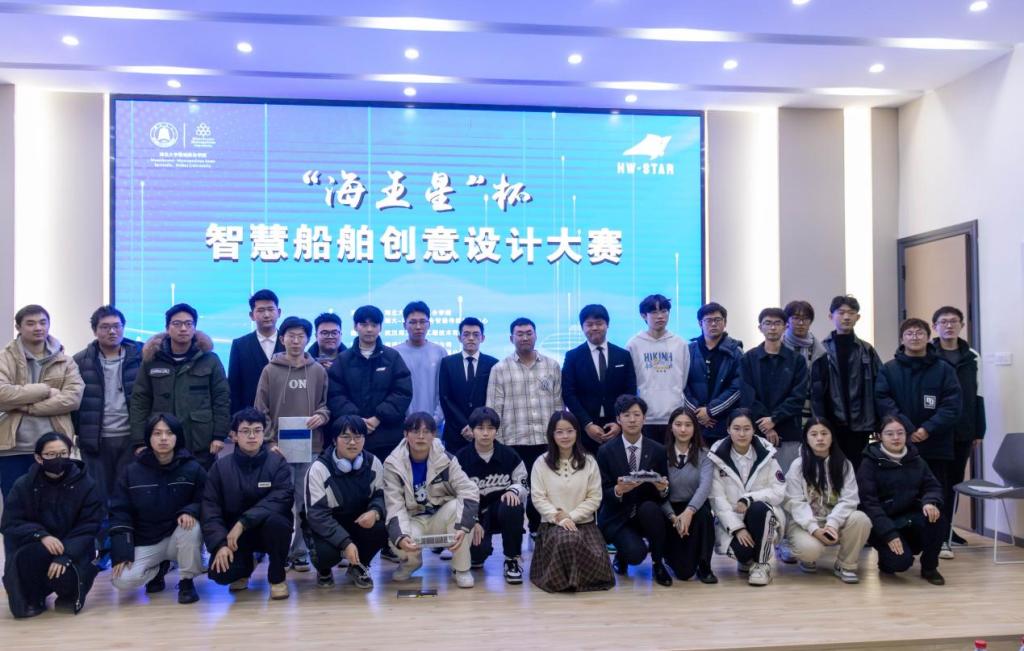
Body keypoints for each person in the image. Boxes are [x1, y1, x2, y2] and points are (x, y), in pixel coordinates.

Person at [875, 318, 961, 560]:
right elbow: (883, 400)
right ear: (902, 339)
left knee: (937, 491)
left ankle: (940, 542)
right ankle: (898, 539)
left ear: (928, 336)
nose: (914, 337)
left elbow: (952, 405)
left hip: (936, 443)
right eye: (909, 333)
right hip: (899, 444)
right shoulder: (889, 369)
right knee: (900, 492)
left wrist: (927, 429)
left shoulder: (944, 369)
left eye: (919, 333)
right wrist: (907, 428)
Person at [254, 316, 330, 573]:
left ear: (307, 339)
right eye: (291, 336)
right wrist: (269, 441)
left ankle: (299, 553)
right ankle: (280, 553)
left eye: (301, 336)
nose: (296, 341)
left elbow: (326, 405)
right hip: (277, 448)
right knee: (280, 503)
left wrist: (322, 415)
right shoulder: (269, 370)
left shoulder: (318, 371)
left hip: (311, 447)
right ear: (282, 338)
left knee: (305, 502)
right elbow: (260, 409)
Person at [1, 432, 103, 618]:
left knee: (67, 582)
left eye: (63, 453)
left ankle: (68, 592)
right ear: (38, 458)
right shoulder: (23, 485)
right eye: (51, 454)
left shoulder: (87, 484)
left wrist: (66, 555)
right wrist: (41, 535)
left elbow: (89, 526)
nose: (58, 459)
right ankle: (34, 596)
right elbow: (10, 523)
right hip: (36, 547)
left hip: (73, 549)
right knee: (27, 561)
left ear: (70, 453)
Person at [109, 413, 206, 604]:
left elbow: (206, 499)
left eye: (169, 433)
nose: (163, 438)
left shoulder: (193, 468)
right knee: (121, 580)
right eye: (157, 433)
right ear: (148, 437)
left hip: (179, 537)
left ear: (177, 437)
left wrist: (190, 511)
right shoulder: (132, 471)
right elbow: (120, 511)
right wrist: (122, 552)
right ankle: (157, 570)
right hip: (146, 539)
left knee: (192, 527)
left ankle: (186, 582)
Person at [72, 305, 143, 565]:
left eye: (116, 326)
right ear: (95, 331)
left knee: (128, 496)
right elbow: (75, 404)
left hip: (132, 440)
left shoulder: (141, 356)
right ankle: (103, 551)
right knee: (98, 499)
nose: (112, 331)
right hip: (96, 441)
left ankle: (128, 549)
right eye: (105, 327)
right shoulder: (80, 360)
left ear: (123, 328)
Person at [201, 407, 294, 600]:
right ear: (234, 436)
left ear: (263, 433)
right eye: (245, 431)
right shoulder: (220, 468)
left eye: (257, 430)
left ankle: (277, 578)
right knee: (221, 573)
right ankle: (245, 567)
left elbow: (281, 498)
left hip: (268, 530)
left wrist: (243, 522)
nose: (252, 436)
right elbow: (210, 509)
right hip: (234, 537)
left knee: (279, 522)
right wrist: (219, 544)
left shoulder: (277, 463)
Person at [382, 412, 480, 588]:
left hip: (440, 516)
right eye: (415, 431)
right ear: (405, 434)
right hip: (412, 519)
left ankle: (461, 568)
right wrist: (402, 537)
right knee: (398, 537)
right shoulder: (392, 464)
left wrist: (463, 526)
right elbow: (394, 505)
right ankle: (411, 563)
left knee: (458, 511)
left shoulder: (446, 459)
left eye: (426, 431)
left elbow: (469, 490)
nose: (421, 436)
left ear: (434, 434)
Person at [130, 303, 231, 470]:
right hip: (161, 442)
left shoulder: (209, 360)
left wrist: (219, 435)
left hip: (200, 441)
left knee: (201, 484)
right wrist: (139, 441)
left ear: (194, 328)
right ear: (167, 328)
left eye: (188, 324)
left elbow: (222, 399)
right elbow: (140, 401)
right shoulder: (152, 360)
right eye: (177, 324)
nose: (183, 328)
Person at [0, 304, 84, 501]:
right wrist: (44, 390)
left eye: (42, 322)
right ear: (18, 327)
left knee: (56, 506)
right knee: (16, 505)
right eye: (30, 323)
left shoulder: (66, 361)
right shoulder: (4, 358)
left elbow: (73, 399)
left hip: (55, 449)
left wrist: (26, 406)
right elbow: (1, 394)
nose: (38, 327)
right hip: (12, 448)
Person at [487, 317, 562, 536]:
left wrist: (558, 437)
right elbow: (493, 409)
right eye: (519, 334)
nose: (525, 337)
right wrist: (498, 444)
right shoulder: (500, 369)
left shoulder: (552, 366)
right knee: (517, 488)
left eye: (529, 333)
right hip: (513, 441)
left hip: (544, 440)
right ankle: (514, 532)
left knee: (543, 487)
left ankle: (538, 529)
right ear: (511, 338)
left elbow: (558, 405)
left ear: (536, 335)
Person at [529, 410, 614, 593]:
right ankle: (564, 581)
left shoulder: (590, 461)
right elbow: (538, 498)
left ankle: (577, 580)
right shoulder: (540, 463)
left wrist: (571, 517)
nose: (565, 436)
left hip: (584, 524)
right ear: (552, 435)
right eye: (559, 432)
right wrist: (559, 518)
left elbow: (594, 498)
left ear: (577, 432)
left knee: (575, 540)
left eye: (569, 431)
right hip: (552, 525)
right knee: (566, 539)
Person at [857, 415, 946, 585]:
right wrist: (889, 534)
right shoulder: (869, 464)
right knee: (900, 563)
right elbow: (869, 504)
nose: (896, 438)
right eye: (889, 434)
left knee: (937, 517)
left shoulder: (916, 460)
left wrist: (930, 502)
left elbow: (932, 486)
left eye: (900, 433)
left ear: (907, 435)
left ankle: (930, 567)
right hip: (883, 523)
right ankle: (887, 558)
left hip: (910, 517)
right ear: (880, 436)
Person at [303, 415, 388, 590]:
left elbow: (382, 496)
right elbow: (317, 516)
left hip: (358, 522)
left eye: (358, 437)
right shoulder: (318, 469)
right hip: (328, 524)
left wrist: (375, 511)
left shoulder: (373, 463)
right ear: (334, 440)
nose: (352, 442)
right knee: (326, 554)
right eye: (346, 437)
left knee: (382, 527)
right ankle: (324, 569)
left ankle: (359, 566)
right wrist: (345, 543)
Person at [783, 417, 871, 584]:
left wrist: (832, 524)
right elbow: (795, 502)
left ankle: (846, 565)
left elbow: (849, 499)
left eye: (824, 433)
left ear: (832, 437)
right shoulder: (798, 465)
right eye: (814, 434)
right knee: (810, 551)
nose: (820, 438)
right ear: (806, 438)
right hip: (805, 523)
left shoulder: (844, 464)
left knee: (861, 519)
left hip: (835, 521)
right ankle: (807, 559)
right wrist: (814, 529)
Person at [596, 395, 672, 586]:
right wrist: (618, 490)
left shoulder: (658, 450)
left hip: (645, 514)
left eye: (637, 415)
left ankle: (658, 564)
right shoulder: (605, 451)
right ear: (618, 419)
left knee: (651, 508)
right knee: (635, 554)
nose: (632, 420)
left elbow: (665, 491)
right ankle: (622, 553)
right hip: (617, 516)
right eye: (626, 415)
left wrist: (663, 489)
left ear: (644, 418)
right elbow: (601, 492)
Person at [708, 408, 786, 586]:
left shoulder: (767, 453)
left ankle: (761, 565)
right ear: (728, 429)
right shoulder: (716, 456)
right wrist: (737, 528)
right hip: (732, 520)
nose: (742, 434)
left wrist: (750, 498)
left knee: (759, 508)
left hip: (762, 517)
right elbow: (717, 500)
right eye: (736, 428)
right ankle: (749, 559)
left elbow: (778, 491)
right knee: (743, 553)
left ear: (754, 430)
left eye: (746, 428)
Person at [326, 305, 412, 461]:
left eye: (374, 325)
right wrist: (357, 420)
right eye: (364, 324)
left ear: (380, 328)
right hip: (352, 437)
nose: (369, 329)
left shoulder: (392, 357)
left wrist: (378, 417)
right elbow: (335, 395)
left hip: (388, 438)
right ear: (355, 327)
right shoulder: (343, 359)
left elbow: (402, 392)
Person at [931, 306, 985, 550]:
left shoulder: (972, 356)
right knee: (935, 482)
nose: (949, 326)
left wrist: (979, 430)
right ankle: (935, 531)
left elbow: (979, 393)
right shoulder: (928, 353)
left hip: (963, 429)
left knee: (954, 481)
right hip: (934, 430)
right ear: (935, 327)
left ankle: (948, 528)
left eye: (954, 321)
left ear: (962, 325)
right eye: (943, 322)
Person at [455, 407, 527, 584]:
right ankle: (474, 553)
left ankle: (511, 559)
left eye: (490, 428)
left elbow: (524, 484)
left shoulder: (510, 455)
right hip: (474, 514)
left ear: (496, 430)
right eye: (480, 428)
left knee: (513, 503)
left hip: (501, 511)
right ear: (471, 430)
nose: (485, 433)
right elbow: (453, 494)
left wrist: (514, 490)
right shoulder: (460, 458)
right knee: (476, 557)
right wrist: (471, 521)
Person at [810, 295, 882, 469]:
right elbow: (815, 390)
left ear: (858, 317)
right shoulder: (821, 349)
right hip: (830, 423)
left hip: (862, 424)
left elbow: (880, 387)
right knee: (832, 469)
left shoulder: (867, 349)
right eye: (841, 313)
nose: (846, 317)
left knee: (859, 470)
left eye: (851, 313)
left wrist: (880, 422)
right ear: (831, 316)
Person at [740, 307, 808, 473]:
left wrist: (775, 419)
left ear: (785, 327)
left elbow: (798, 397)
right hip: (756, 431)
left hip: (788, 430)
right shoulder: (748, 358)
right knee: (757, 479)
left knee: (788, 477)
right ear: (760, 327)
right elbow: (748, 395)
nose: (772, 327)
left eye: (777, 323)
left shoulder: (797, 360)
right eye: (768, 323)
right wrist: (767, 425)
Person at [563, 304, 637, 453]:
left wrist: (619, 423)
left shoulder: (623, 355)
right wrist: (587, 424)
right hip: (585, 429)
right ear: (582, 327)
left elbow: (630, 391)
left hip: (617, 427)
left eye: (599, 323)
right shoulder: (573, 356)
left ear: (607, 325)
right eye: (589, 324)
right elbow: (569, 393)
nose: (595, 328)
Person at [660, 408, 717, 584]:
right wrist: (673, 517)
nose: (683, 429)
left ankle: (705, 565)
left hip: (695, 508)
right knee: (684, 573)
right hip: (670, 510)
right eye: (678, 424)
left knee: (705, 514)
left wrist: (689, 511)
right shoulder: (660, 453)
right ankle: (666, 559)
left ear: (695, 428)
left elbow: (705, 487)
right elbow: (659, 492)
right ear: (671, 427)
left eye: (688, 425)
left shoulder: (705, 454)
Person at [626, 294, 689, 441]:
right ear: (643, 315)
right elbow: (630, 381)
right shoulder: (634, 344)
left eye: (664, 311)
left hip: (675, 416)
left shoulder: (680, 343)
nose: (660, 316)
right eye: (654, 312)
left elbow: (684, 379)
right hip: (644, 417)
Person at [685, 302, 744, 446]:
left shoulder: (736, 352)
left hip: (724, 422)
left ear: (725, 323)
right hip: (693, 423)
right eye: (708, 320)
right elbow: (681, 385)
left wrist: (710, 411)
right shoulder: (688, 350)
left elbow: (738, 387)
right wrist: (698, 413)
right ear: (700, 323)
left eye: (718, 320)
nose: (713, 324)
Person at [439, 317, 498, 454]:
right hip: (456, 432)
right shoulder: (448, 363)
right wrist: (465, 425)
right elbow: (445, 398)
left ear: (482, 338)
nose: (471, 338)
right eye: (466, 334)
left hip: (484, 431)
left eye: (476, 334)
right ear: (459, 338)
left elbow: (493, 398)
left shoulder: (493, 363)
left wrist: (478, 426)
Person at [228, 289, 283, 415]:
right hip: (251, 416)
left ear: (279, 312)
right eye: (261, 310)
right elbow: (234, 386)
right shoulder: (239, 345)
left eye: (270, 309)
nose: (267, 315)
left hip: (284, 414)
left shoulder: (290, 343)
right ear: (251, 315)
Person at [394, 301, 447, 426]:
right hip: (403, 425)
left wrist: (435, 420)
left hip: (434, 425)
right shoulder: (395, 353)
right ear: (404, 325)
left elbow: (445, 391)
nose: (418, 327)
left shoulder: (440, 352)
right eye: (413, 322)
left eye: (422, 322)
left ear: (429, 324)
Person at [782, 300, 826, 424]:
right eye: (796, 318)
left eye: (805, 319)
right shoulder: (779, 347)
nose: (801, 323)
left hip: (811, 411)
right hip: (783, 412)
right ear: (787, 320)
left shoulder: (819, 350)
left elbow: (824, 385)